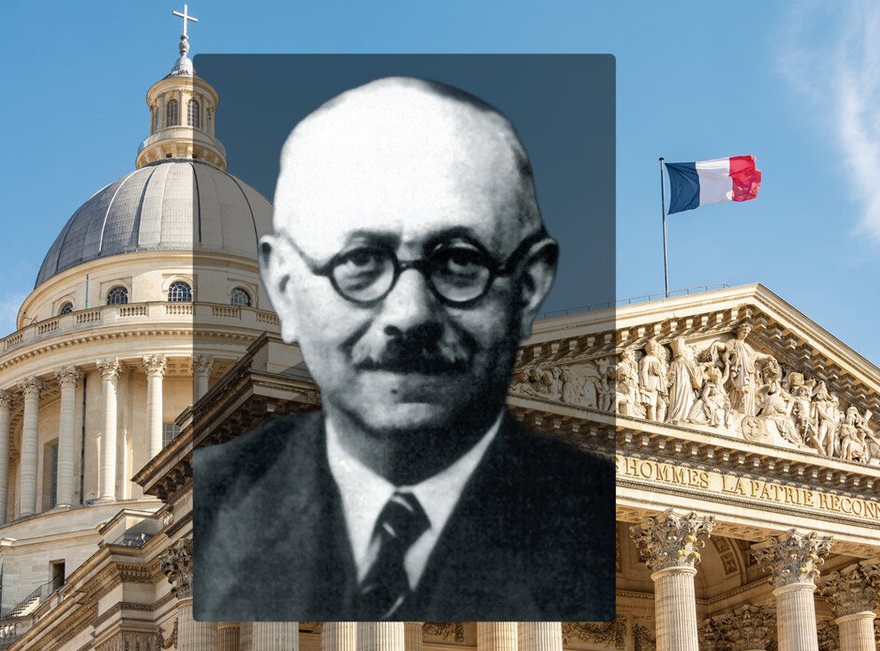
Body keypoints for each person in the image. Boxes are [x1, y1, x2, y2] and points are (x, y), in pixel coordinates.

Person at [192, 76, 615, 621]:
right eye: (360, 263)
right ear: (285, 291)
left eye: (461, 261)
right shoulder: (227, 497)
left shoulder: (577, 496)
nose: (410, 314)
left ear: (530, 284)